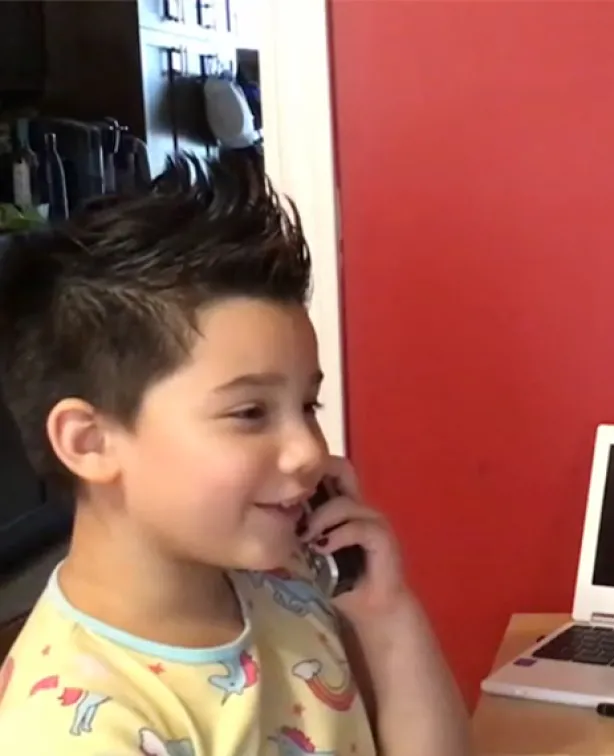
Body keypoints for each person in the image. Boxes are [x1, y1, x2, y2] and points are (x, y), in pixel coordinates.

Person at [0, 154, 469, 755]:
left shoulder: (288, 585)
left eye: (308, 406)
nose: (307, 452)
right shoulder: (68, 731)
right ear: (90, 442)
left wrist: (386, 616)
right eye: (250, 413)